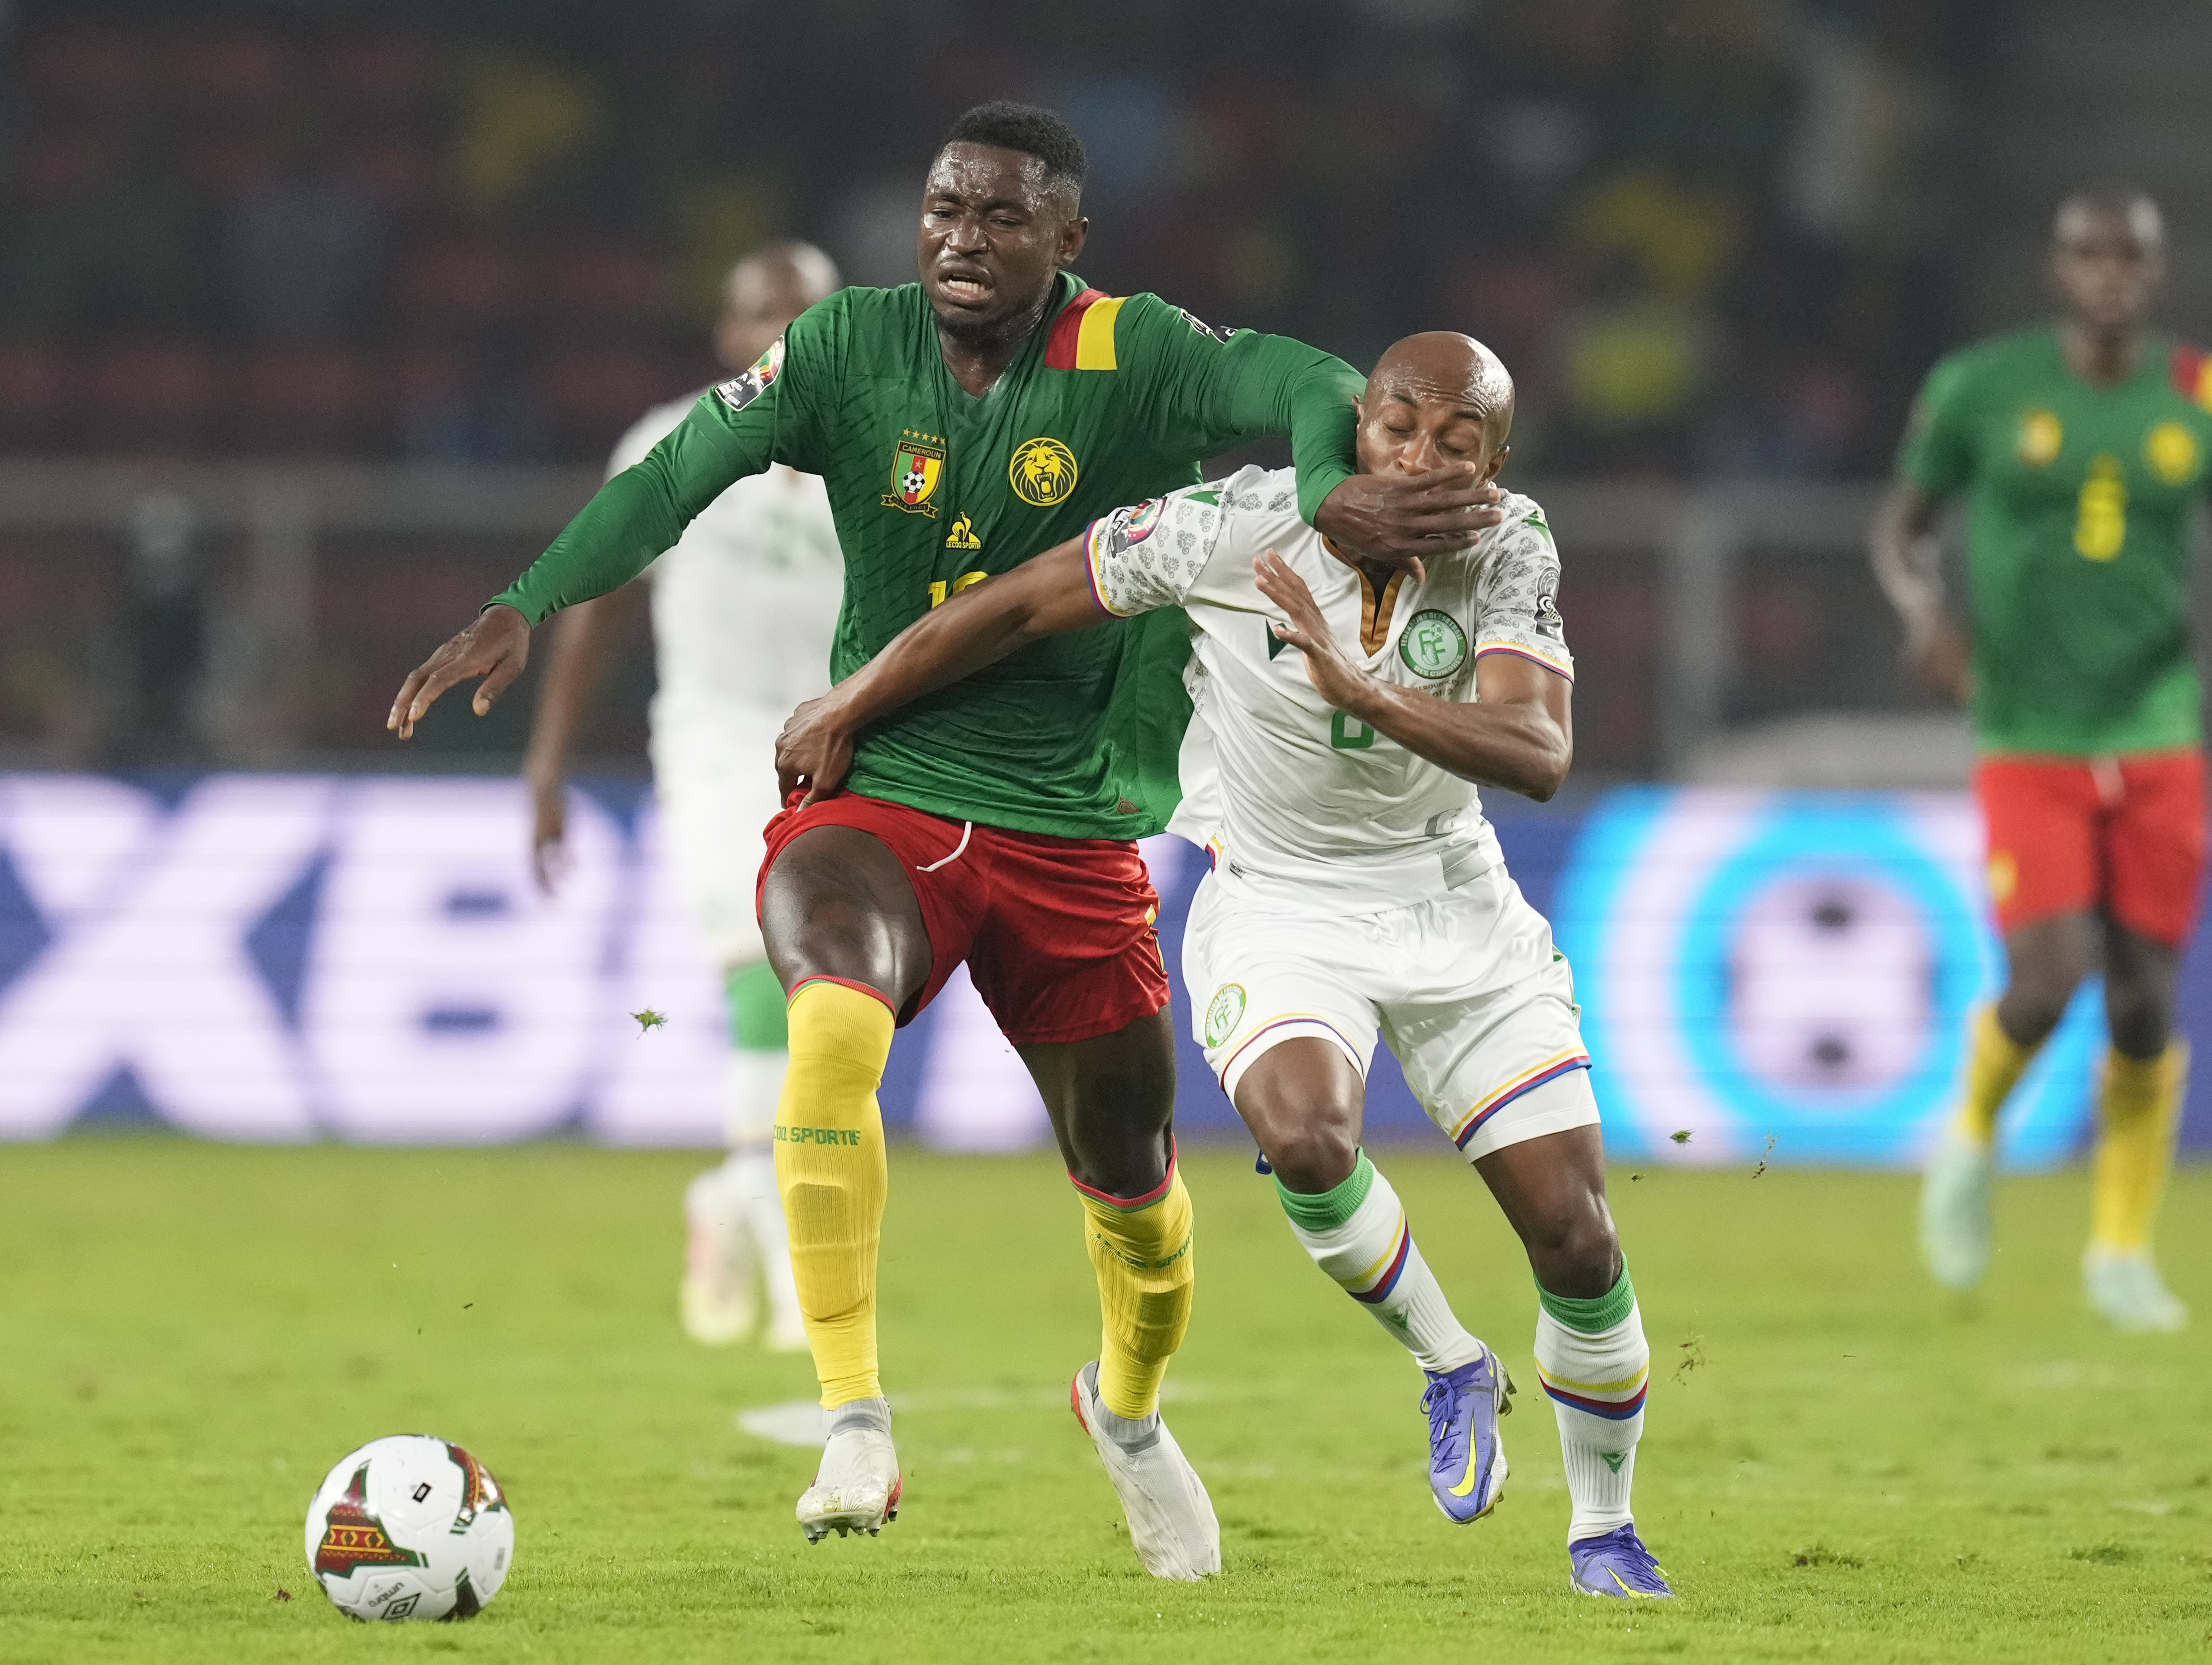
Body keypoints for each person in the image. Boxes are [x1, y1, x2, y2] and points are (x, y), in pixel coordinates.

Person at [386, 101, 1501, 1576]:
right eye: (941, 211)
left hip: (1070, 822)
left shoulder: (1129, 351)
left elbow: (1306, 375)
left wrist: (1325, 494)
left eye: (999, 218)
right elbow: (668, 481)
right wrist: (521, 604)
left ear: (1066, 239)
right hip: (881, 779)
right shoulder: (849, 345)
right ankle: (851, 1411)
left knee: (1135, 1192)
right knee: (826, 1018)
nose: (960, 241)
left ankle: (1126, 1415)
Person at [774, 332, 1671, 1600]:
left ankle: (1603, 1529)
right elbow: (1025, 599)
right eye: (1399, 428)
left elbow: (1533, 750)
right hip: (1278, 904)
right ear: (1355, 427)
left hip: (1451, 906)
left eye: (1455, 444)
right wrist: (853, 697)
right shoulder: (1231, 528)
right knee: (1305, 1139)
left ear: (1493, 464)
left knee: (1576, 1239)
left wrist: (1361, 695)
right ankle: (1449, 1362)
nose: (1421, 459)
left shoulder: (1510, 544)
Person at [1872, 185, 2211, 1331]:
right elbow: (1899, 528)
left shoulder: (2194, 392)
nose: (2109, 271)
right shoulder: (1983, 387)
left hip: (2156, 726)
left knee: (2144, 1005)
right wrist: (1924, 614)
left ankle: (2118, 1253)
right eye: (2087, 253)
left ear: (2154, 273)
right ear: (2056, 269)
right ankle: (1968, 1139)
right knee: (2047, 975)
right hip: (2027, 730)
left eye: (2130, 255)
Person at [522, 242, 843, 1353]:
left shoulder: (890, 458)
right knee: (768, 973)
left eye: (805, 313)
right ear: (727, 335)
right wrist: (548, 763)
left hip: (841, 745)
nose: (783, 332)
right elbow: (598, 604)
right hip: (711, 744)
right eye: (763, 313)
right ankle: (776, 1216)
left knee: (831, 1000)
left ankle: (733, 1193)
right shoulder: (670, 446)